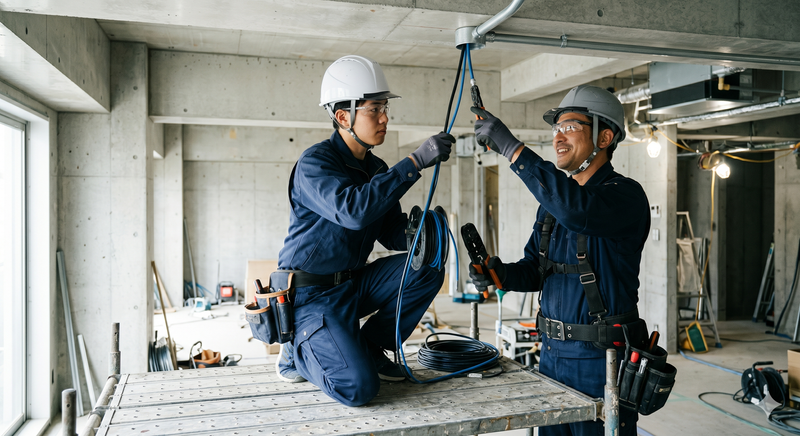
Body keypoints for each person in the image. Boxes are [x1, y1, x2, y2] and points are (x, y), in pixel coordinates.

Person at [469, 85, 650, 435]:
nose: (558, 137)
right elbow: (535, 271)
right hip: (551, 356)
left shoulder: (624, 197)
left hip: (601, 361)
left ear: (605, 136)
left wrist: (512, 149)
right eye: (556, 129)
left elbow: (578, 210)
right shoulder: (552, 207)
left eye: (570, 126)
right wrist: (499, 273)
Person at [274, 55, 454, 407]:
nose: (385, 117)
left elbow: (388, 232)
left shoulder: (376, 167)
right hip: (311, 296)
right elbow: (353, 211)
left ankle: (370, 347)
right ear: (343, 117)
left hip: (351, 285)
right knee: (359, 389)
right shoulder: (315, 164)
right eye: (375, 110)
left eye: (385, 108)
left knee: (427, 270)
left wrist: (420, 234)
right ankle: (296, 351)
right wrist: (415, 162)